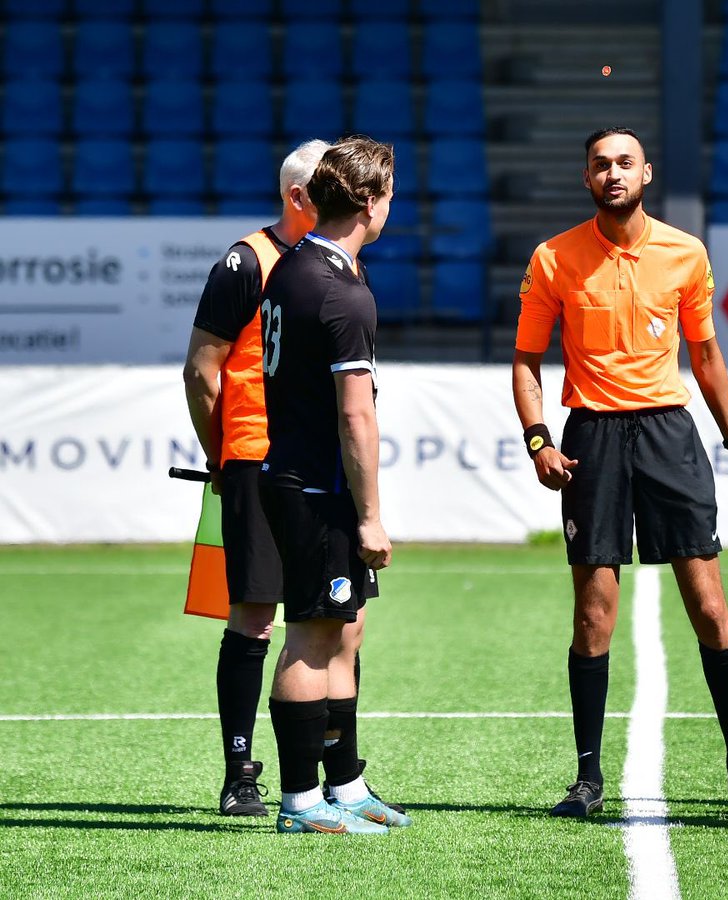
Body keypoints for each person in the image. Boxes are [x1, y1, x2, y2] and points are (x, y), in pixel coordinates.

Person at [512, 126, 728, 818]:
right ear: (586, 177)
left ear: (646, 173)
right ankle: (588, 777)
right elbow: (527, 361)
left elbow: (706, 356)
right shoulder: (554, 257)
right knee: (593, 614)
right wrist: (538, 439)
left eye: (625, 162)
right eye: (600, 164)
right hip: (591, 437)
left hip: (667, 433)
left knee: (708, 606)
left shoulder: (686, 253)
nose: (613, 173)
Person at [257, 135, 408, 835]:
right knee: (312, 636)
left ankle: (343, 784)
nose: (391, 206)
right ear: (370, 201)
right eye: (390, 194)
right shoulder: (340, 290)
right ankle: (299, 801)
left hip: (304, 477)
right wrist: (372, 517)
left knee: (345, 630)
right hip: (315, 487)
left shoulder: (297, 265)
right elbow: (355, 415)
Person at [183, 140, 328, 816]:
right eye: (330, 185)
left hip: (319, 466)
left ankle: (337, 776)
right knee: (254, 617)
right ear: (298, 196)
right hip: (255, 458)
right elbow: (201, 370)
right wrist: (223, 458)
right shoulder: (246, 261)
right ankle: (240, 772)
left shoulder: (335, 261)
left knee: (334, 620)